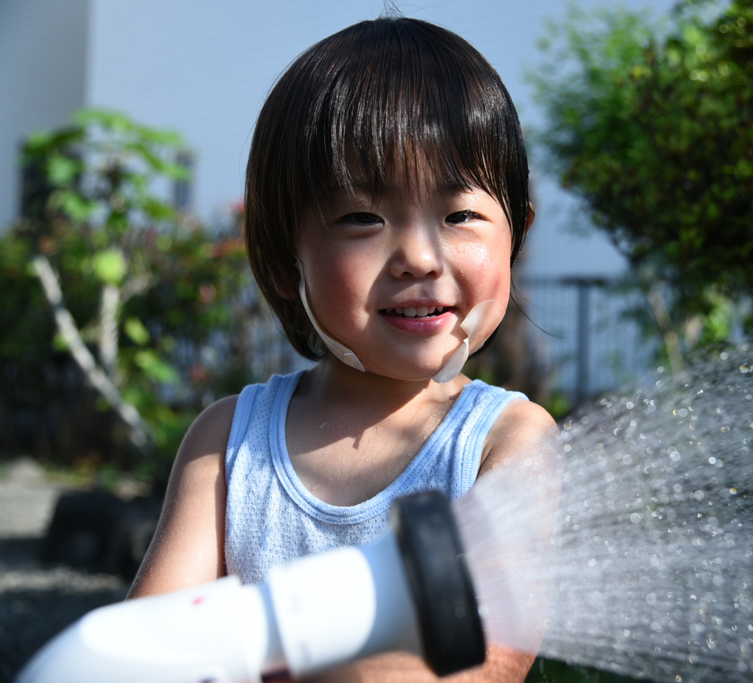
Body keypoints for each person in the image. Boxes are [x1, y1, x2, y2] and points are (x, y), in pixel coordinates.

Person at [128, 16, 556, 683]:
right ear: (281, 260)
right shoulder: (229, 444)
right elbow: (144, 648)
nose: (419, 255)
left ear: (516, 234)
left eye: (459, 215)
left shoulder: (507, 444)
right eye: (363, 217)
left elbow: (488, 662)